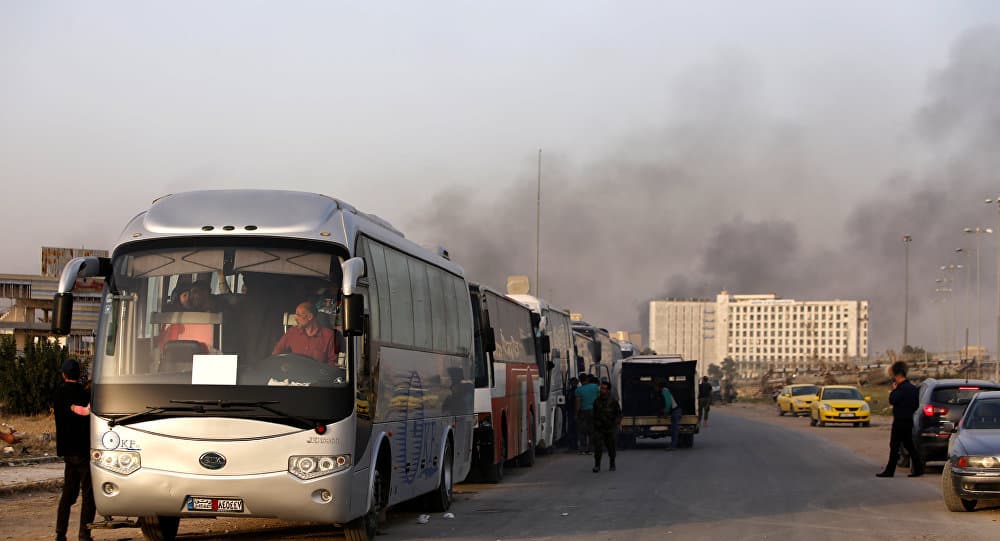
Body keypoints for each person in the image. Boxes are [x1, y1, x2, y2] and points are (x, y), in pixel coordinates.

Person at [54, 358, 95, 541]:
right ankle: (84, 534)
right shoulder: (86, 394)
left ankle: (60, 534)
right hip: (84, 451)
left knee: (67, 495)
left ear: (63, 375)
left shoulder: (58, 393)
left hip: (67, 453)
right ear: (79, 375)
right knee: (88, 495)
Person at [877, 361, 924, 478]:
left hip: (899, 421)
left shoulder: (900, 389)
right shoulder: (913, 389)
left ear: (896, 375)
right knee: (909, 445)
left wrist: (894, 390)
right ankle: (918, 468)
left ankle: (890, 470)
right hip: (909, 420)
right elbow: (916, 405)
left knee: (895, 445)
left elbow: (892, 400)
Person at [273, 302, 340, 365]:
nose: (296, 319)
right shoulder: (292, 332)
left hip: (318, 375)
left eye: (298, 315)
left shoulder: (329, 335)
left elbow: (332, 363)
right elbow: (277, 352)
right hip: (294, 374)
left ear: (310, 317)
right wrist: (283, 365)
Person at [591, 381, 622, 472]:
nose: (602, 390)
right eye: (601, 388)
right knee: (598, 447)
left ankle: (612, 463)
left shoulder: (613, 402)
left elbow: (619, 414)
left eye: (604, 389)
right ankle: (597, 465)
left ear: (608, 390)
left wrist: (617, 422)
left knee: (611, 447)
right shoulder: (596, 401)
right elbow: (594, 414)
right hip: (599, 428)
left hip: (610, 428)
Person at [575, 374, 600, 454]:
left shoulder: (578, 390)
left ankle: (583, 449)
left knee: (582, 431)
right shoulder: (595, 387)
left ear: (580, 381)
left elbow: (578, 403)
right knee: (592, 430)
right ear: (587, 379)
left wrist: (576, 413)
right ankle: (591, 449)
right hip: (594, 411)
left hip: (583, 412)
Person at [659, 381, 682, 450]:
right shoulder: (666, 390)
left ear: (659, 387)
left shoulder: (664, 390)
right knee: (674, 429)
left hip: (675, 411)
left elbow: (668, 402)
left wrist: (665, 412)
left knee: (674, 430)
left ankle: (673, 446)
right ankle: (674, 444)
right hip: (676, 411)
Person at [563, 377, 579, 451]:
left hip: (574, 412)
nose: (572, 384)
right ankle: (572, 445)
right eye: (571, 382)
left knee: (574, 429)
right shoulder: (570, 391)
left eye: (573, 382)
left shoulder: (576, 391)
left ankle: (574, 445)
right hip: (570, 412)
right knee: (571, 429)